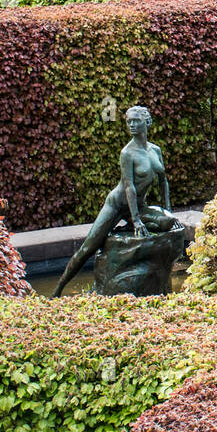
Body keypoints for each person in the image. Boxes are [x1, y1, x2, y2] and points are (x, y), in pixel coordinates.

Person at [51, 105, 174, 297]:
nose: (132, 125)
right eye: (129, 122)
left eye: (136, 121)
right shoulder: (128, 153)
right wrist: (137, 220)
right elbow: (129, 187)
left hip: (139, 205)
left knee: (168, 222)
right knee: (87, 248)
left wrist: (168, 209)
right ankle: (58, 290)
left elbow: (162, 181)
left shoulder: (155, 150)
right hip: (117, 204)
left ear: (147, 122)